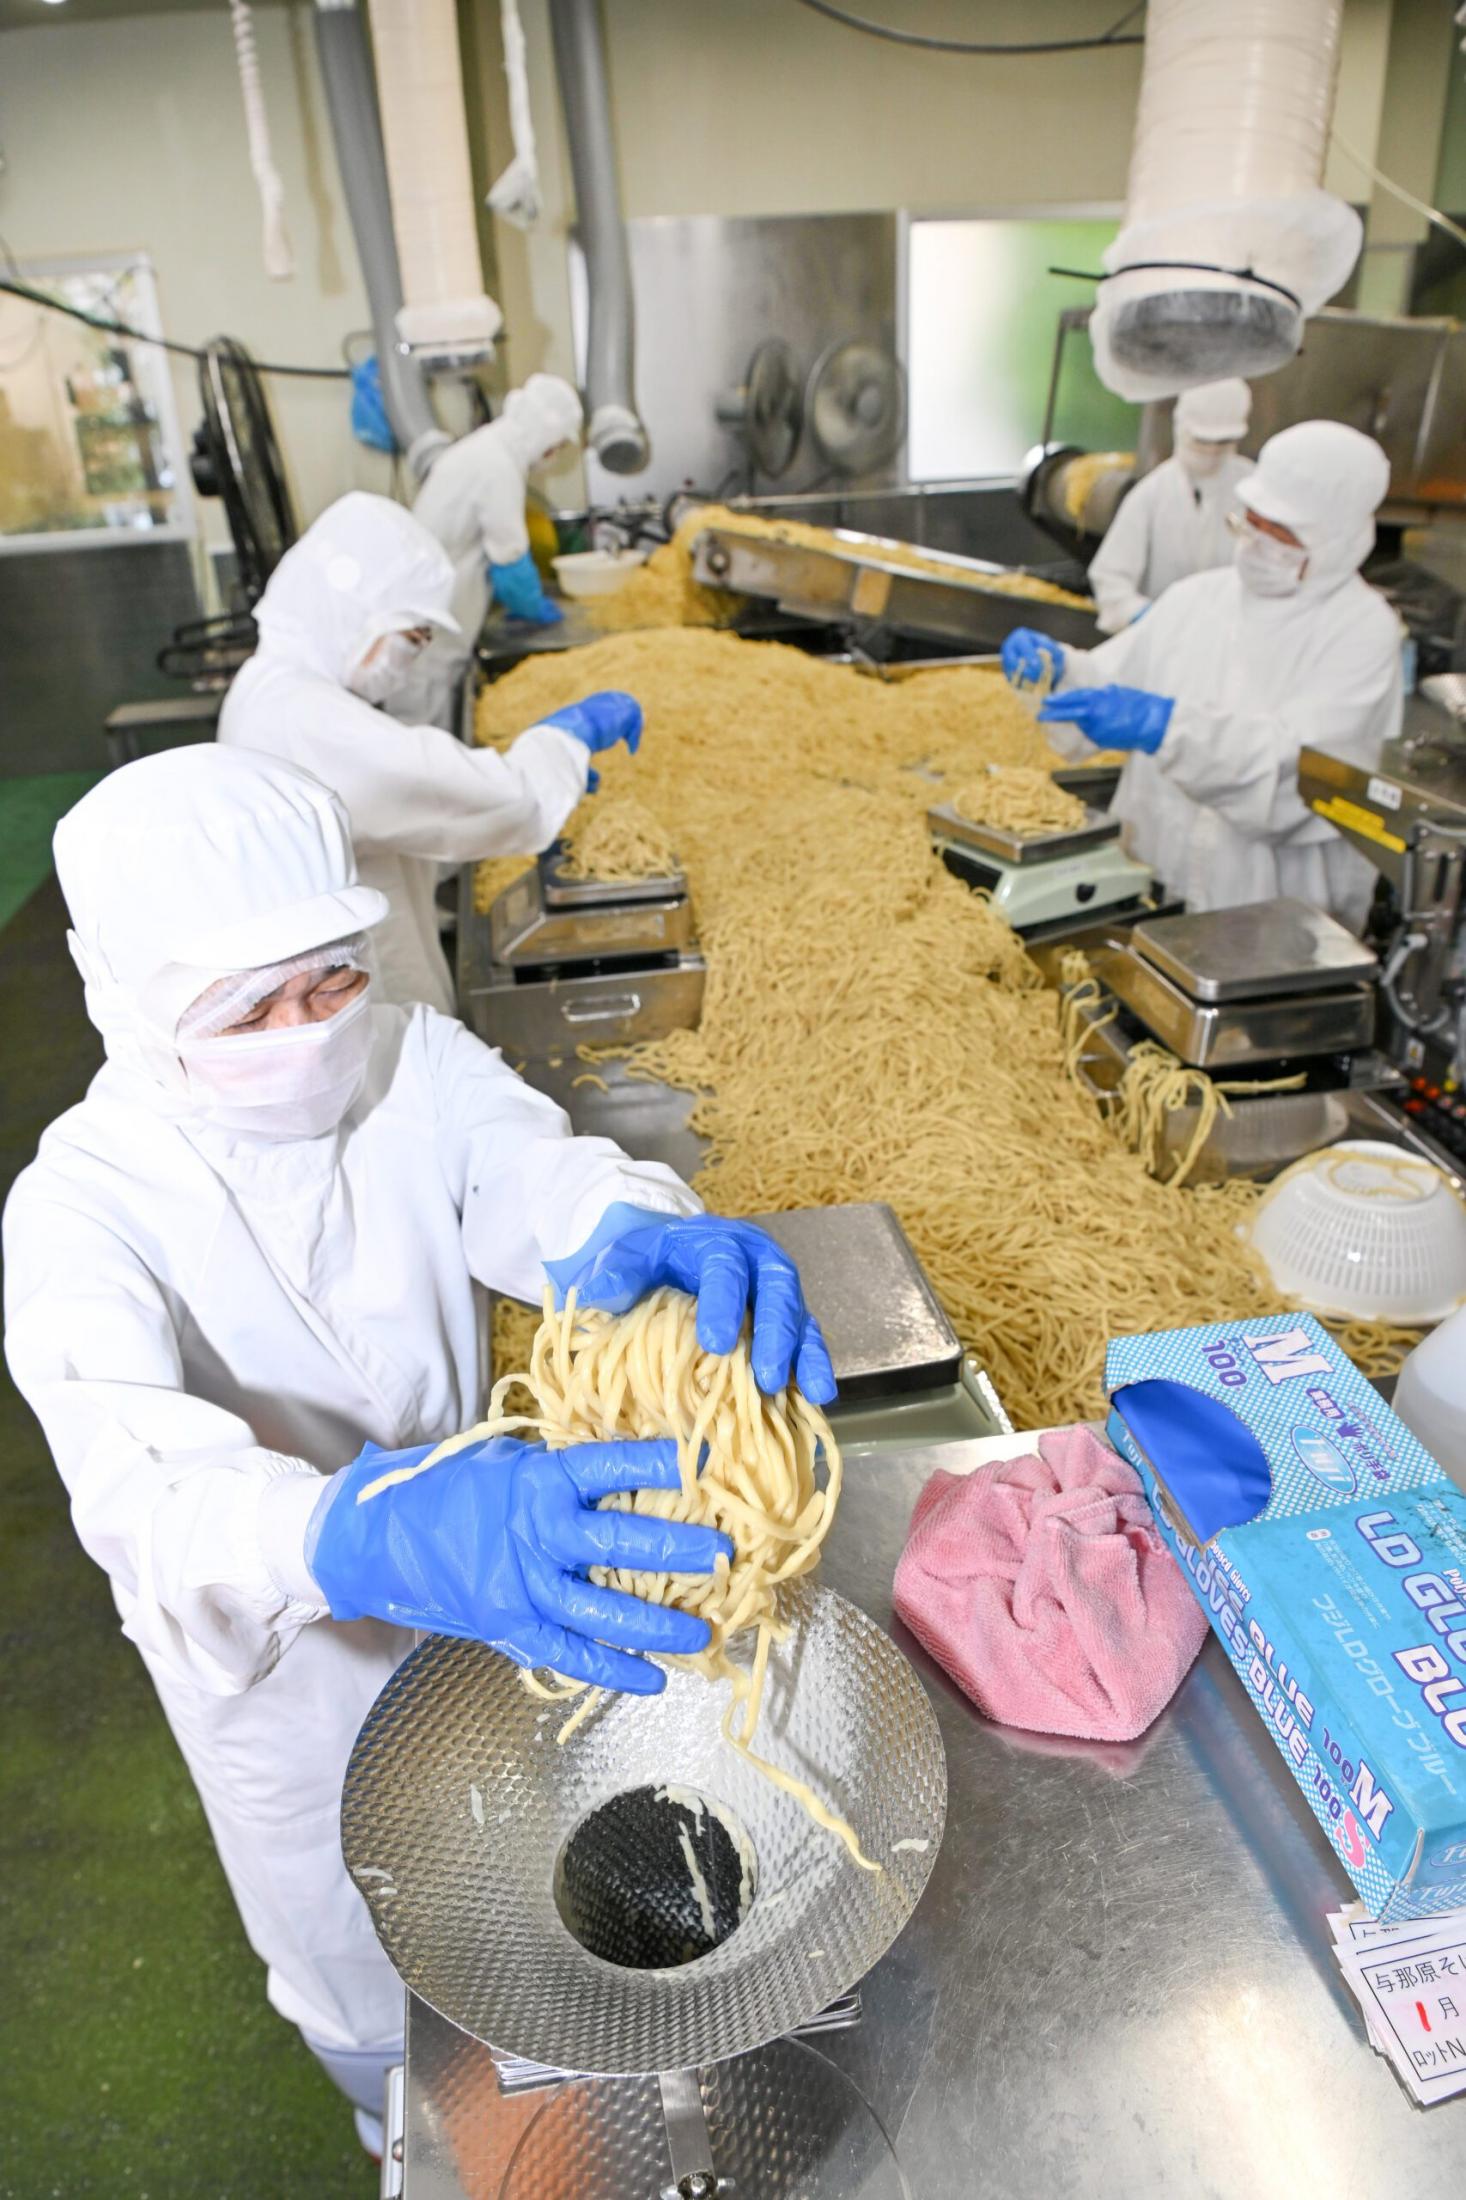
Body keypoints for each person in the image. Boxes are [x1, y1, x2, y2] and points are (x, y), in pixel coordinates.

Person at [3, 745, 834, 2156]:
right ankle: (404, 2129)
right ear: (133, 1006)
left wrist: (622, 1226)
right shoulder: (80, 1209)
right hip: (293, 1679)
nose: (307, 1029)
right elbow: (147, 1496)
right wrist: (358, 1533)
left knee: (526, 1908)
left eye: (329, 978)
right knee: (380, 1988)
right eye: (247, 1007)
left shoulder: (410, 1056)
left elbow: (524, 1166)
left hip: (503, 1588)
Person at [218, 490, 637, 1014]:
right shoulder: (303, 717)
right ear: (357, 612)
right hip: (362, 995)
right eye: (411, 638)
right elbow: (467, 792)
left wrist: (553, 767)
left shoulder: (272, 686)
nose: (409, 661)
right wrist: (564, 742)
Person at [1003, 421, 1400, 927]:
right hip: (1151, 876)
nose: (1256, 542)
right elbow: (1108, 681)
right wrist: (1059, 671)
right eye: (1251, 522)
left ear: (1336, 540)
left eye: (1280, 533)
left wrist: (1166, 727)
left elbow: (1292, 774)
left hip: (1271, 910)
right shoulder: (1198, 597)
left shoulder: (1363, 630)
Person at [398, 372, 585, 730]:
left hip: (434, 610)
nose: (553, 456)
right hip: (433, 620)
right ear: (545, 436)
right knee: (423, 722)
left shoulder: (486, 449)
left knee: (431, 717)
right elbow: (509, 557)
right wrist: (532, 606)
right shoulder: (497, 466)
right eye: (556, 446)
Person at [1087, 379, 1253, 634]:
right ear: (1181, 427)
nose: (1211, 451)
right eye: (1201, 440)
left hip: (1233, 637)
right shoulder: (1152, 493)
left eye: (1222, 441)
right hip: (1161, 639)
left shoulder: (1253, 489)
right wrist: (1143, 616)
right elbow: (1110, 578)